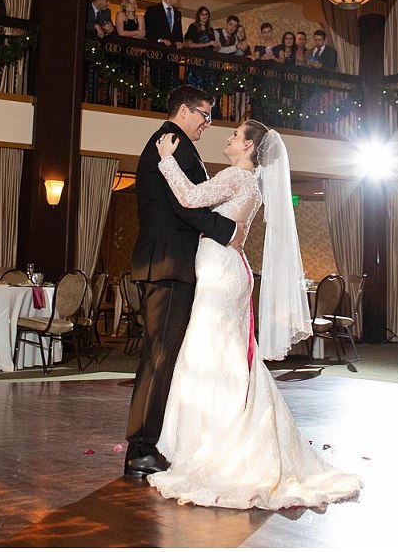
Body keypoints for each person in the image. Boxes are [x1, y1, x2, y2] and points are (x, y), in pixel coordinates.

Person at [142, 112, 361, 509]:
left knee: (209, 355)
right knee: (224, 357)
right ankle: (228, 432)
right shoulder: (250, 183)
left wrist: (165, 161)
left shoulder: (237, 177)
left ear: (247, 146)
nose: (227, 137)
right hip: (229, 271)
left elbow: (190, 199)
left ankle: (218, 442)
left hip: (222, 275)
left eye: (235, 135)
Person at [125, 86, 248, 480]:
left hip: (171, 263)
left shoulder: (176, 144)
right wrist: (227, 230)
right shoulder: (172, 142)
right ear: (184, 110)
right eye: (204, 115)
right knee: (159, 359)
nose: (207, 125)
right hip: (169, 264)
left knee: (163, 358)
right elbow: (184, 204)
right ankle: (140, 451)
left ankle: (150, 445)